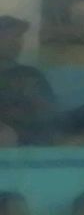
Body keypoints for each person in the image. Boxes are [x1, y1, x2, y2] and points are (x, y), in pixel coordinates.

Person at [0, 15, 58, 146]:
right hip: (13, 134)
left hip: (35, 132)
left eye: (19, 36)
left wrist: (34, 100)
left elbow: (49, 112)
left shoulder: (29, 73)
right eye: (10, 36)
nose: (17, 42)